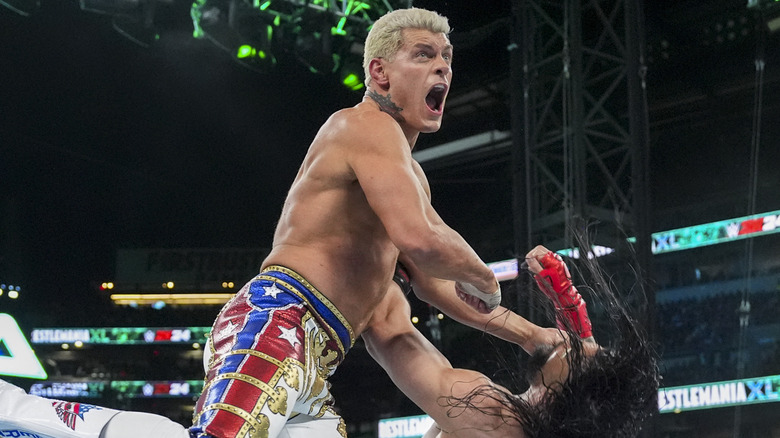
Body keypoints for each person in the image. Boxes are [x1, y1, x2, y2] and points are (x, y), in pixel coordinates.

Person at [190, 7, 515, 438]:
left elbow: (435, 280)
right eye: (424, 55)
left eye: (447, 57)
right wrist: (485, 277)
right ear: (379, 73)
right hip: (279, 321)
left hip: (317, 357)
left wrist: (538, 337)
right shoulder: (366, 125)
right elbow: (424, 240)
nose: (442, 66)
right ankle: (80, 422)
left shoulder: (401, 186)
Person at [363, 245, 660, 438]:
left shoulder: (487, 415)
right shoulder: (559, 419)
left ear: (553, 397)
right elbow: (583, 373)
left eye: (579, 350)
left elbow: (382, 326)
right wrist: (566, 309)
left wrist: (387, 259)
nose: (577, 340)